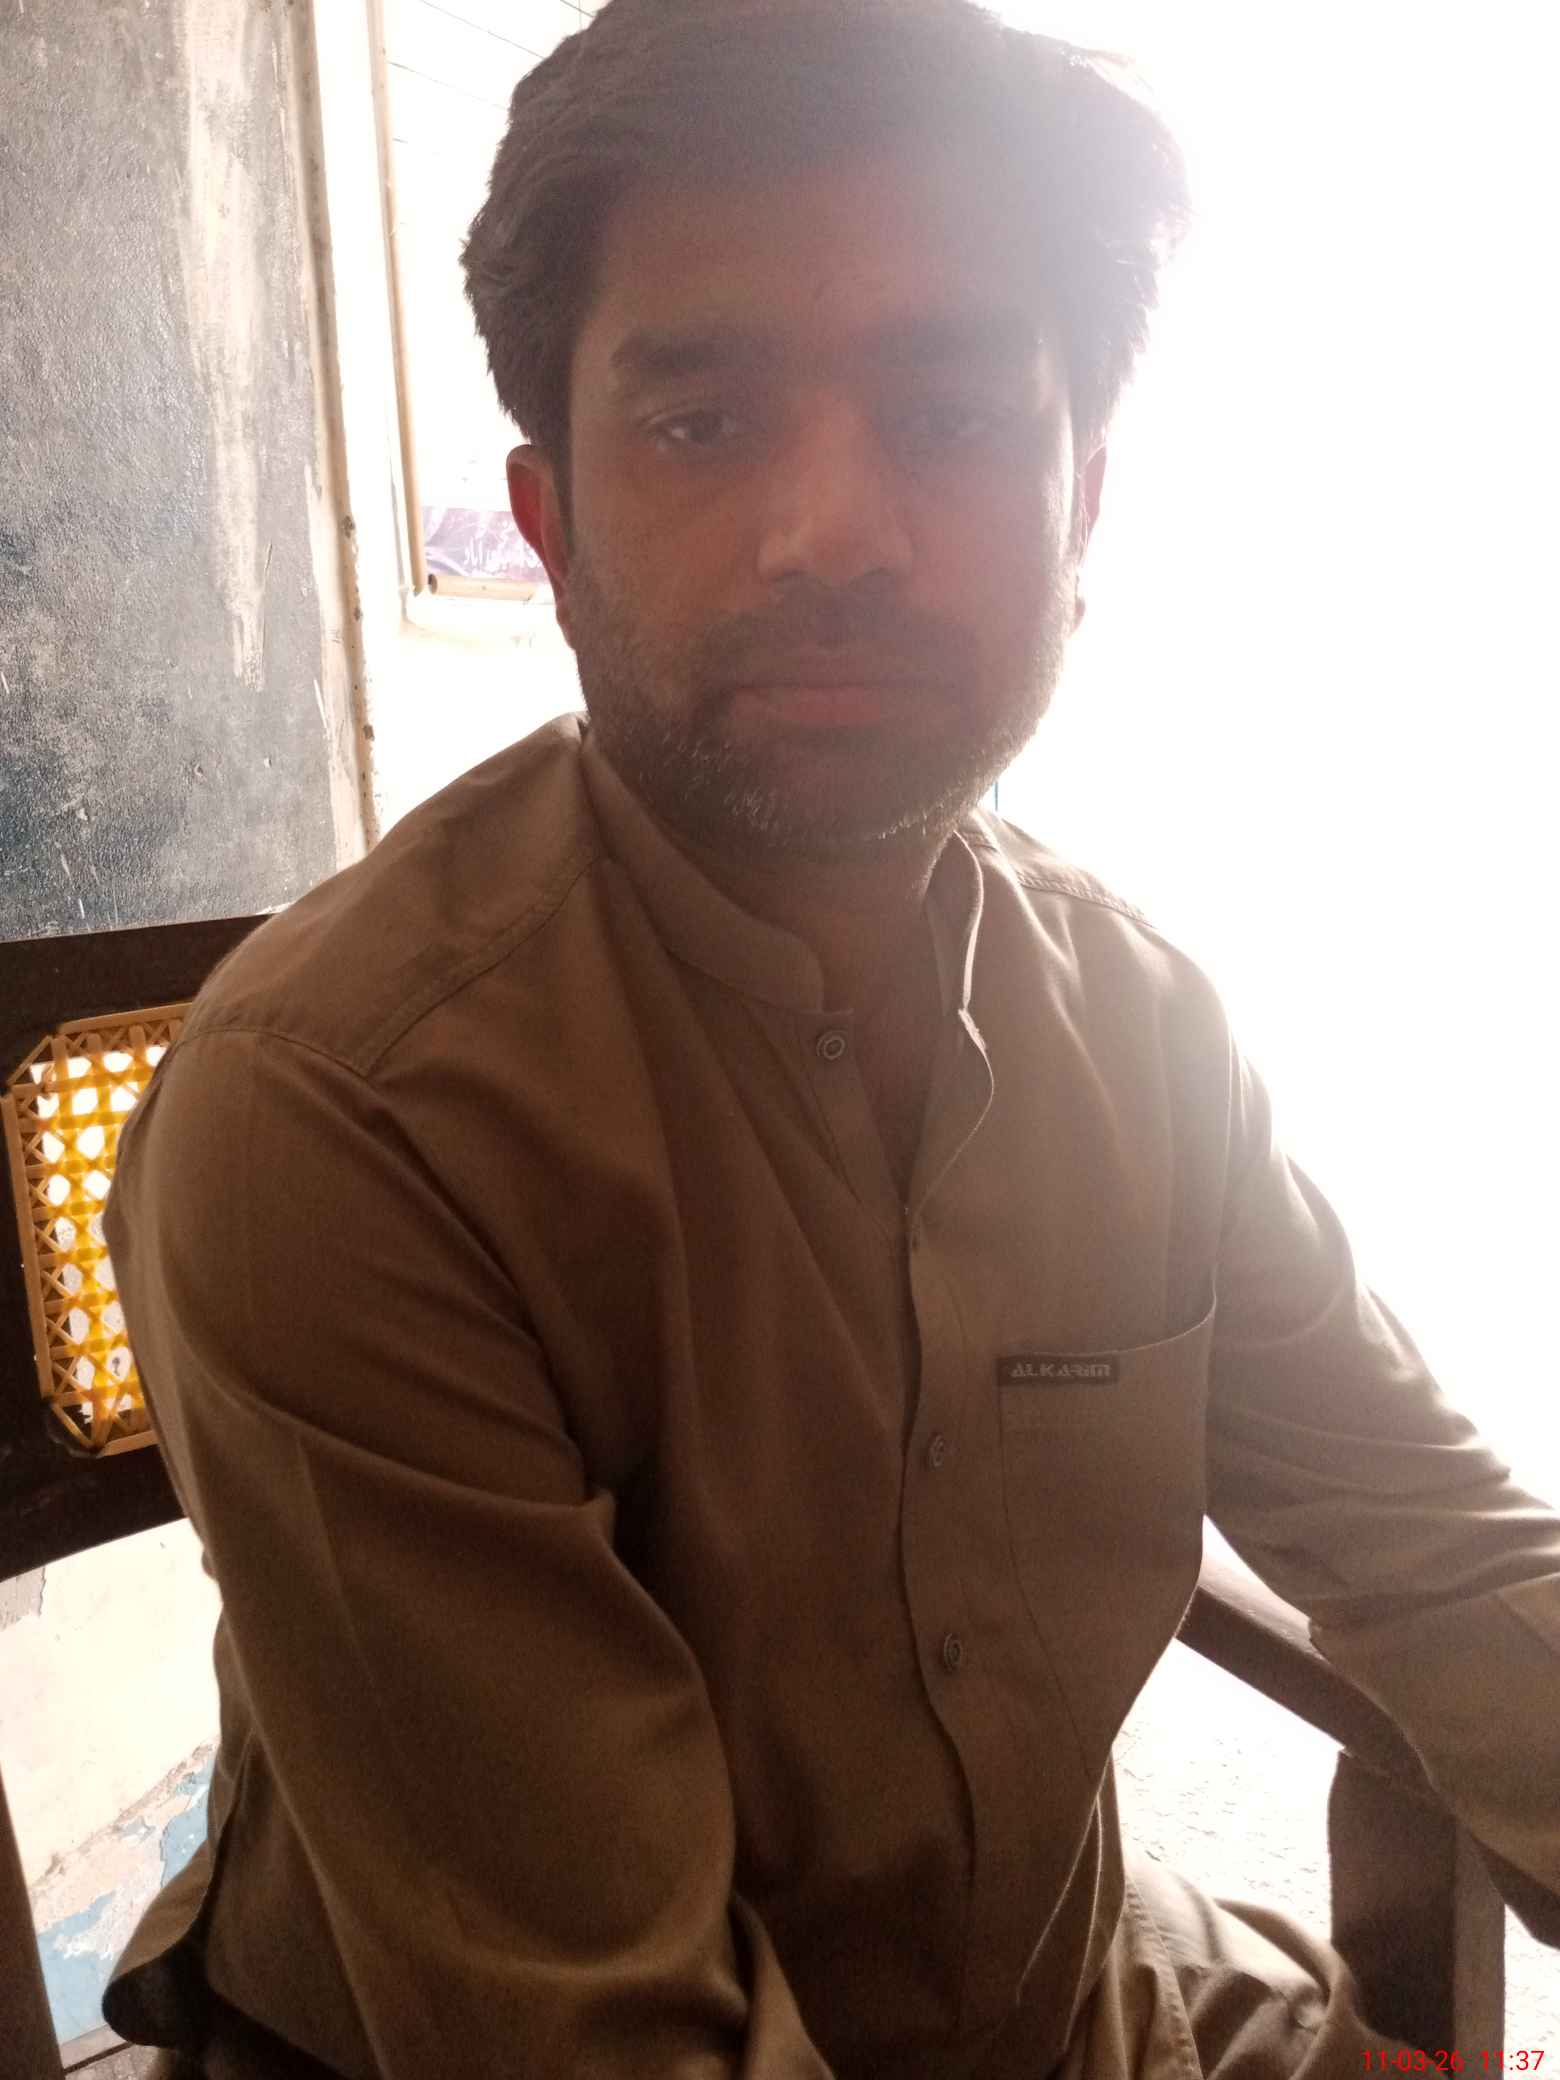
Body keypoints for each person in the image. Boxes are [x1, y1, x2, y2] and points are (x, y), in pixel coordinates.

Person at [102, 1, 1560, 2074]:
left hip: (1083, 2002)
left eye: (949, 415)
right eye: (702, 425)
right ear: (551, 523)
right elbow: (605, 2035)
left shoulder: (1141, 1029)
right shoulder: (338, 1118)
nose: (835, 533)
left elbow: (1449, 1558)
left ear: (1083, 506)